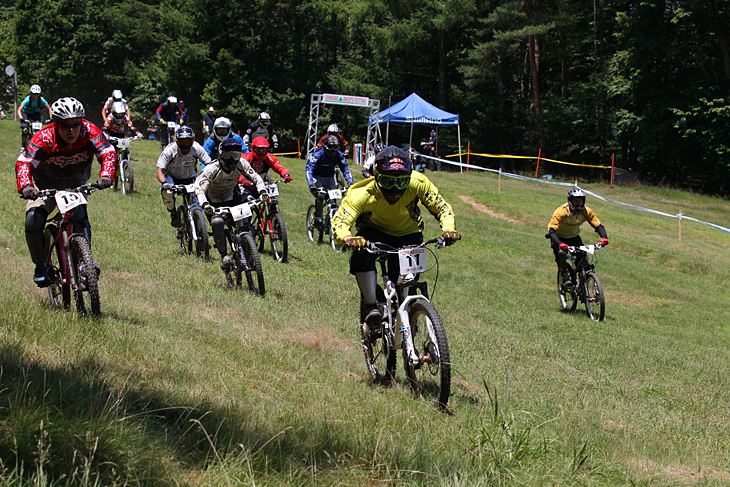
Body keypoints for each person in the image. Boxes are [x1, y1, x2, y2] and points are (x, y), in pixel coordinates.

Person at [331, 146, 459, 326]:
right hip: (373, 233)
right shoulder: (360, 193)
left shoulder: (418, 183)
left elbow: (442, 208)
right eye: (388, 181)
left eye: (401, 182)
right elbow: (340, 222)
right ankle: (370, 305)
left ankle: (408, 317)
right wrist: (348, 238)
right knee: (361, 255)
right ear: (376, 176)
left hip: (409, 234)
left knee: (406, 286)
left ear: (410, 177)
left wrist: (449, 229)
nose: (395, 188)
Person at [16, 97, 116, 286]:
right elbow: (24, 163)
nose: (71, 130)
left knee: (79, 214)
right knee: (34, 219)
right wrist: (26, 186)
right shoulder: (44, 138)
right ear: (55, 124)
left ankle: (86, 261)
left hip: (75, 182)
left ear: (81, 122)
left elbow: (107, 152)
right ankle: (40, 265)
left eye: (75, 124)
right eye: (64, 126)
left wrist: (106, 175)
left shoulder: (90, 131)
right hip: (44, 185)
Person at [195, 138, 266, 272]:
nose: (233, 160)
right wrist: (205, 204)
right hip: (213, 202)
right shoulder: (212, 168)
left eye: (236, 155)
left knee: (246, 220)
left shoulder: (241, 163)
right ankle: (224, 256)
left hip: (232, 198)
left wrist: (262, 191)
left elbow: (256, 177)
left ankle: (248, 250)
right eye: (229, 155)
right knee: (217, 222)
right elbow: (199, 188)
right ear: (221, 154)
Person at [546, 188, 609, 288]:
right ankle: (565, 277)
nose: (578, 203)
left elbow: (598, 226)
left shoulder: (586, 211)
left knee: (583, 262)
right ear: (570, 201)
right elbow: (552, 231)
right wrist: (560, 244)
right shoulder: (561, 212)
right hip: (559, 238)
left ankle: (583, 284)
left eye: (580, 201)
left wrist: (604, 238)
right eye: (576, 201)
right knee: (561, 254)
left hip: (574, 237)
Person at [156, 126, 211, 227]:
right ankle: (173, 213)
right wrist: (164, 183)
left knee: (198, 201)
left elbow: (209, 165)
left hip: (190, 178)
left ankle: (201, 226)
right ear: (176, 140)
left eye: (188, 142)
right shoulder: (170, 150)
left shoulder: (197, 148)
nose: (185, 145)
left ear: (193, 140)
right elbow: (160, 170)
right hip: (171, 178)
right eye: (182, 142)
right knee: (167, 192)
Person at [305, 135, 353, 227]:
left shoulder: (339, 155)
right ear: (325, 146)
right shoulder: (318, 154)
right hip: (317, 177)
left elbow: (345, 169)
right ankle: (318, 218)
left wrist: (350, 182)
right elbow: (309, 169)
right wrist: (311, 184)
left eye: (335, 147)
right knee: (321, 194)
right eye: (331, 147)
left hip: (329, 178)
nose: (333, 150)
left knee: (333, 199)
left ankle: (331, 221)